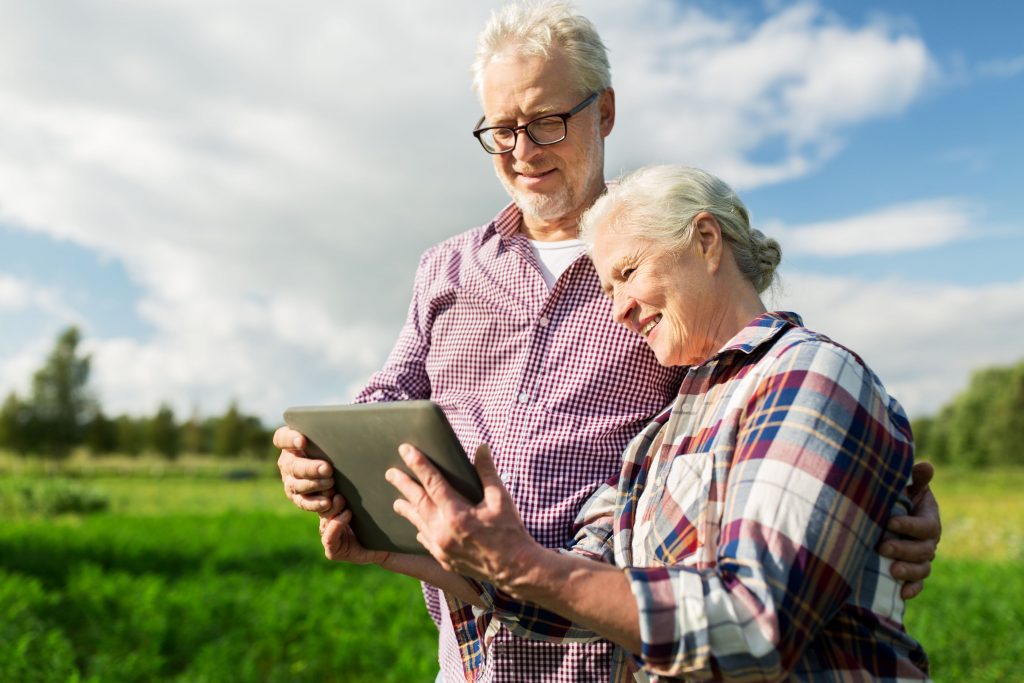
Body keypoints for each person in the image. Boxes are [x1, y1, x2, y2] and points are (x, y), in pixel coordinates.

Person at [276, 3, 940, 681]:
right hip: (479, 647)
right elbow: (389, 398)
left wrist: (878, 498)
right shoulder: (447, 270)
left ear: (605, 112)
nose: (523, 151)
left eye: (546, 122)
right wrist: (326, 459)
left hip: (615, 651)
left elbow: (775, 400)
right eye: (502, 130)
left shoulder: (672, 256)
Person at [339, 164, 930, 681]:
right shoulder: (662, 430)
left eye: (628, 271)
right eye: (606, 286)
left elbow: (754, 630)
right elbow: (573, 586)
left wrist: (520, 563)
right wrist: (401, 551)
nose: (617, 307)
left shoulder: (810, 375)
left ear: (705, 240)